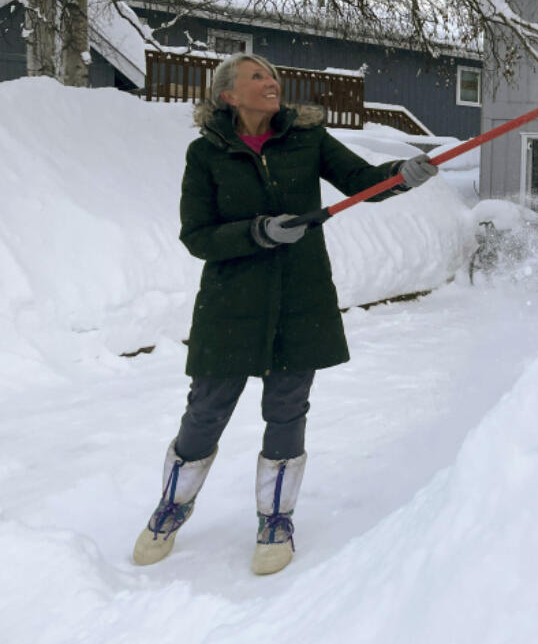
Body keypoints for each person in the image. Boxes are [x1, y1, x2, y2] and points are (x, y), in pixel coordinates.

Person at [131, 53, 437, 575]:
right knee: (206, 411)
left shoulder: (307, 139)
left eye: (272, 75)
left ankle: (275, 519)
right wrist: (257, 232)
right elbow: (197, 235)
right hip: (232, 302)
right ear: (228, 95)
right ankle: (172, 506)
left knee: (288, 409)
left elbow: (361, 179)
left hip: (301, 298)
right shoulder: (206, 154)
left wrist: (401, 176)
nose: (271, 82)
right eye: (258, 76)